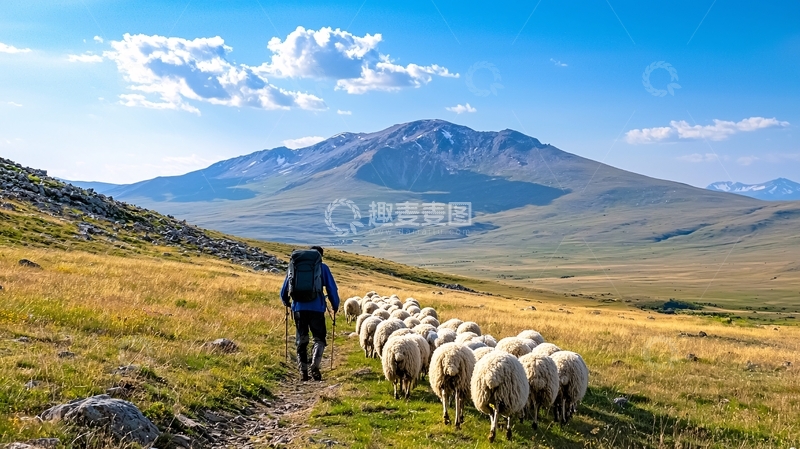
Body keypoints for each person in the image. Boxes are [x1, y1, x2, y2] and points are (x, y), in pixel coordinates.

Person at [280, 245, 340, 382]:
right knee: (319, 338)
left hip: (299, 308)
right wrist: (335, 306)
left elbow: (284, 289)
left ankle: (303, 371)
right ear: (320, 256)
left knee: (302, 339)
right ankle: (315, 364)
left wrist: (287, 302)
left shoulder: (294, 267)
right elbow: (331, 288)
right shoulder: (322, 267)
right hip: (317, 308)